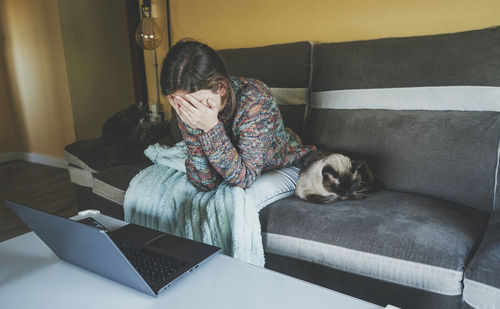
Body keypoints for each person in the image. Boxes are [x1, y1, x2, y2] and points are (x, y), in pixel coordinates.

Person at [160, 39, 316, 192]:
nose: (190, 110)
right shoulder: (187, 109)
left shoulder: (255, 99)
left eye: (196, 103)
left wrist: (211, 128)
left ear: (220, 87)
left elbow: (244, 178)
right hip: (233, 164)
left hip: (279, 161)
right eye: (180, 103)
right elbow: (205, 183)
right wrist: (193, 127)